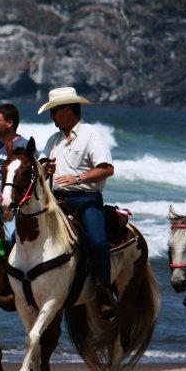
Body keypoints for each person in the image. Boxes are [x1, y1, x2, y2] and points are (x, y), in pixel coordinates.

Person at [38, 87, 118, 318]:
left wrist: (78, 178)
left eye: (54, 111)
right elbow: (41, 170)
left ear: (67, 110)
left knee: (97, 242)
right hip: (56, 200)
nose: (51, 116)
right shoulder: (53, 140)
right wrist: (44, 169)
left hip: (86, 198)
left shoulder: (91, 134)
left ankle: (104, 291)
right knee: (22, 235)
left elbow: (107, 169)